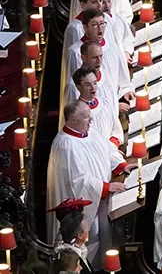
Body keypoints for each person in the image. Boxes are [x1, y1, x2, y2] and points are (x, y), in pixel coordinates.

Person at [47, 102, 131, 270]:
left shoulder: (89, 131)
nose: (91, 119)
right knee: (90, 237)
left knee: (103, 237)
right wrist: (105, 187)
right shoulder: (65, 145)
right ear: (72, 120)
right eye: (86, 117)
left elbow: (107, 149)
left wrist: (121, 165)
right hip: (85, 203)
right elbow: (78, 181)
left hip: (100, 196)